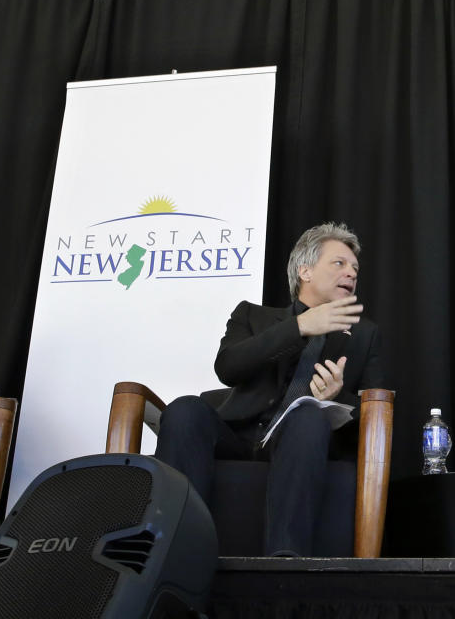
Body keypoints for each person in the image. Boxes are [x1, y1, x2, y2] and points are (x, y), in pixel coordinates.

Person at [155, 222, 384, 557]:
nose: (351, 272)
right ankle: (175, 553)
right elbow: (228, 367)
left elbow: (376, 412)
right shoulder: (252, 315)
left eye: (355, 268)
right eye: (339, 263)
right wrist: (301, 327)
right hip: (236, 437)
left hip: (300, 445)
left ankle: (285, 560)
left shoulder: (364, 335)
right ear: (305, 271)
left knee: (308, 415)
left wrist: (337, 398)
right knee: (184, 409)